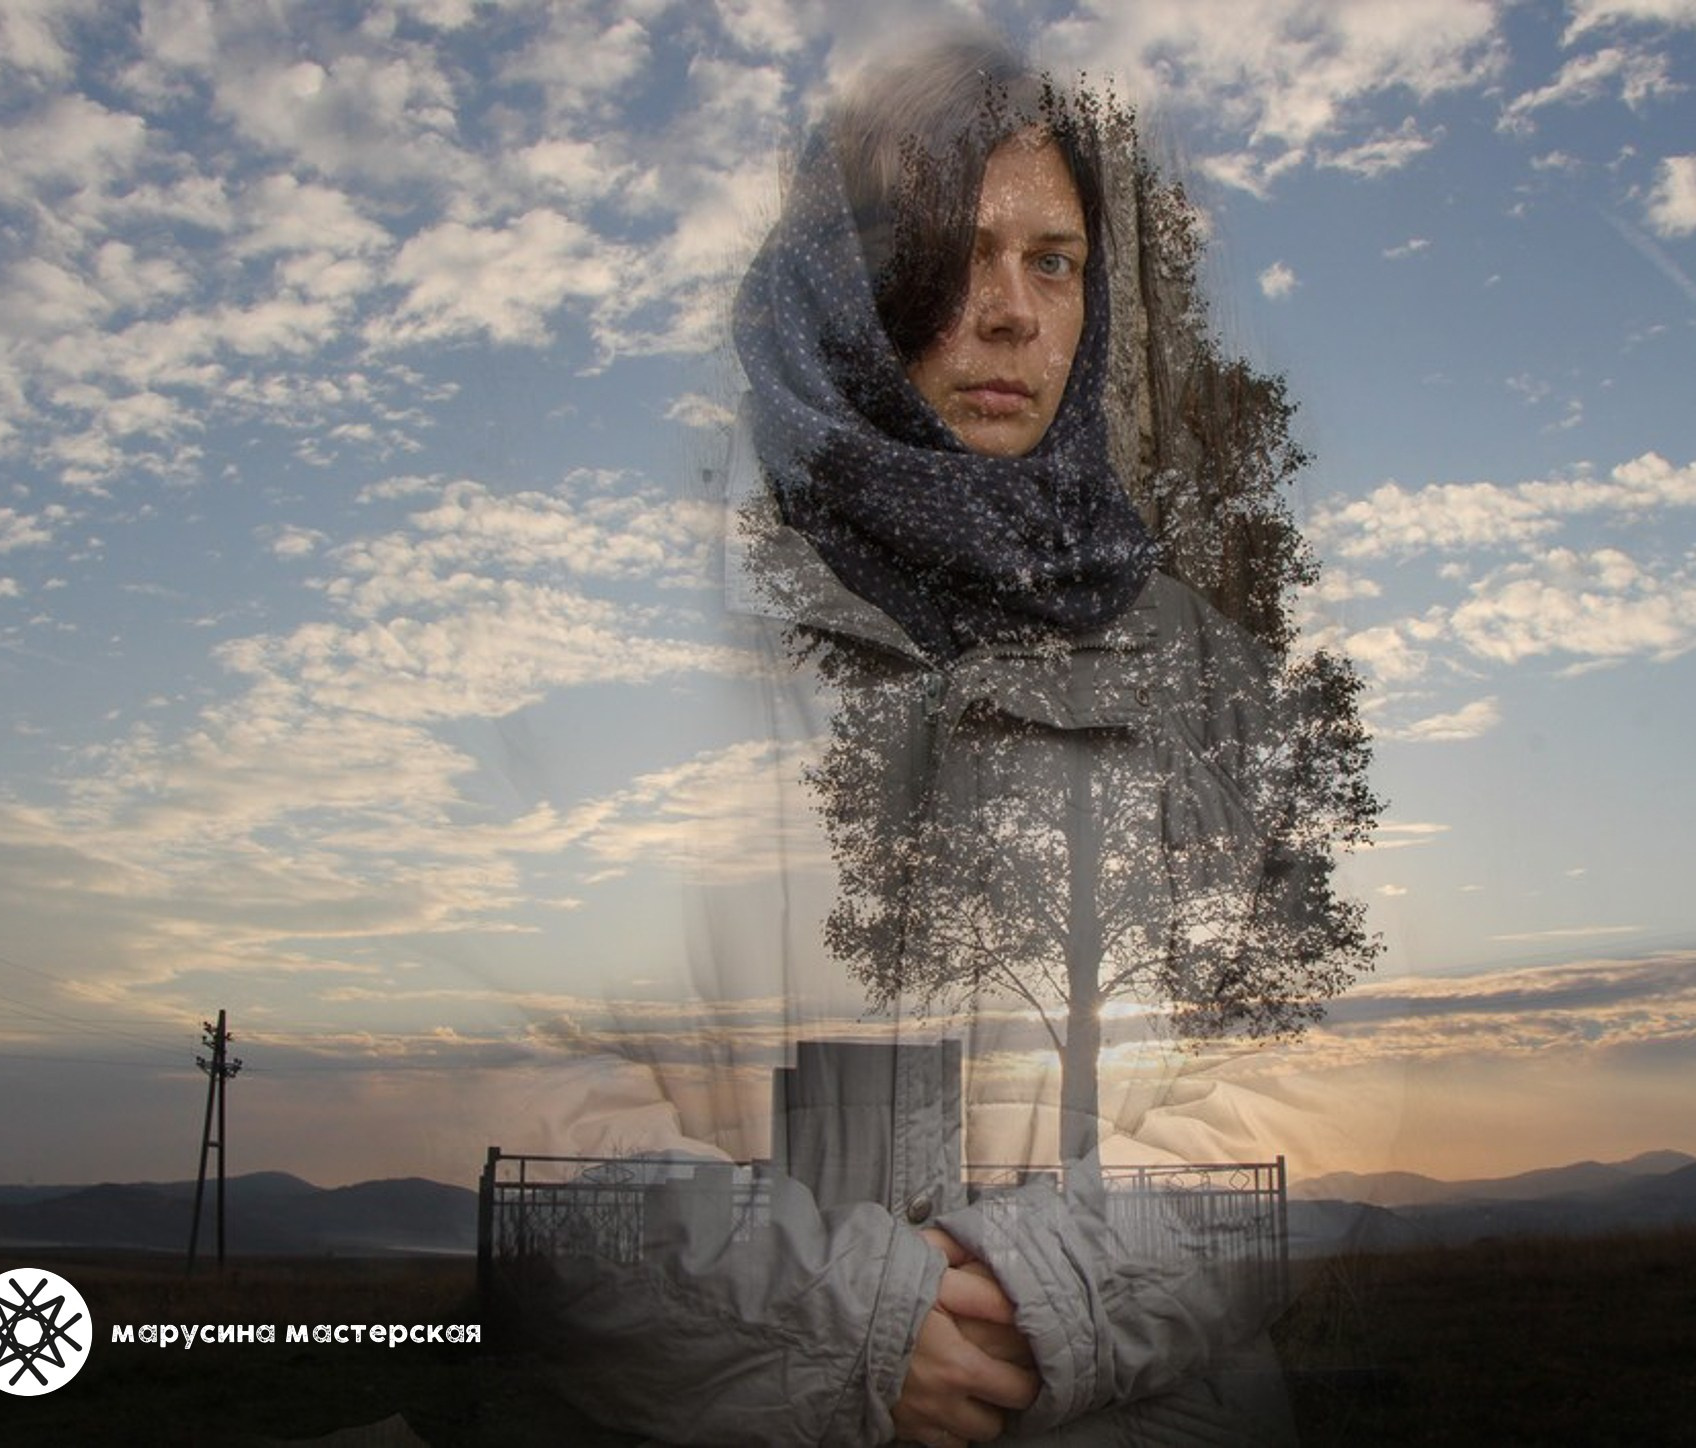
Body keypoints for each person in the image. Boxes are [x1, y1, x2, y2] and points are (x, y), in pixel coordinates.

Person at [517, 31, 1353, 1446]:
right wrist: (849, 1331)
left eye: (1054, 260)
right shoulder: (668, 643)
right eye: (948, 252)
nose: (1012, 313)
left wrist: (1045, 1297)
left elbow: (1296, 1076)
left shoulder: (1194, 665)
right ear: (840, 290)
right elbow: (546, 1095)